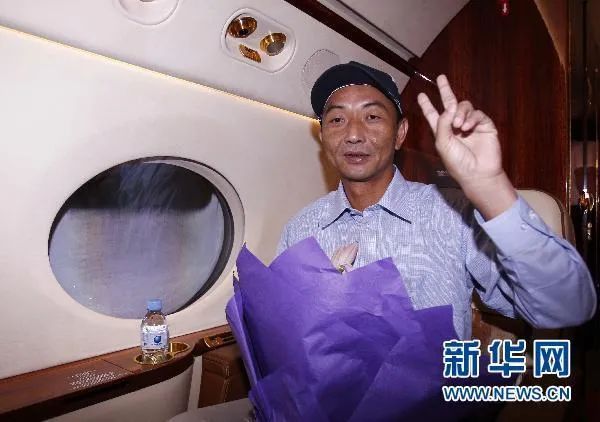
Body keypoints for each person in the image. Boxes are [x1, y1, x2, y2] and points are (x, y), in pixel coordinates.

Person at [277, 61, 597, 340]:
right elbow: (284, 329)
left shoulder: (453, 215)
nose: (353, 134)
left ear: (400, 133)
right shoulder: (302, 228)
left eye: (372, 117)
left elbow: (568, 307)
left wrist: (491, 187)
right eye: (336, 120)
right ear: (323, 136)